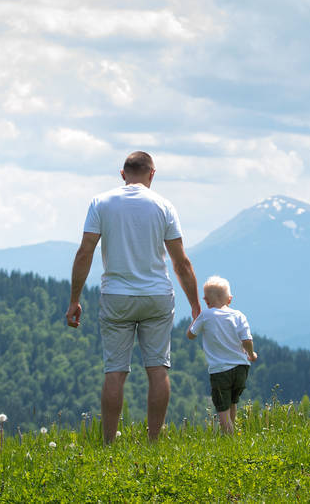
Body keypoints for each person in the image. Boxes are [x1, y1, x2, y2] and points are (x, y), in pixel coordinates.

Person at [65, 151, 201, 444]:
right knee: (157, 368)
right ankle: (153, 442)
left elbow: (85, 251)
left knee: (114, 371)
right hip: (156, 295)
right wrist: (195, 305)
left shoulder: (101, 203)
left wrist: (75, 299)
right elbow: (181, 263)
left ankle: (108, 444)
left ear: (122, 174)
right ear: (152, 174)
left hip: (116, 296)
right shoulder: (164, 206)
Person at [186, 275, 257, 435]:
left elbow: (190, 335)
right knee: (232, 401)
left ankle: (230, 439)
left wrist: (195, 318)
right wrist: (251, 355)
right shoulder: (239, 315)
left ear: (206, 300)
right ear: (229, 299)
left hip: (220, 370)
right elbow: (247, 339)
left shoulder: (205, 315)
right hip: (241, 368)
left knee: (221, 407)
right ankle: (232, 432)